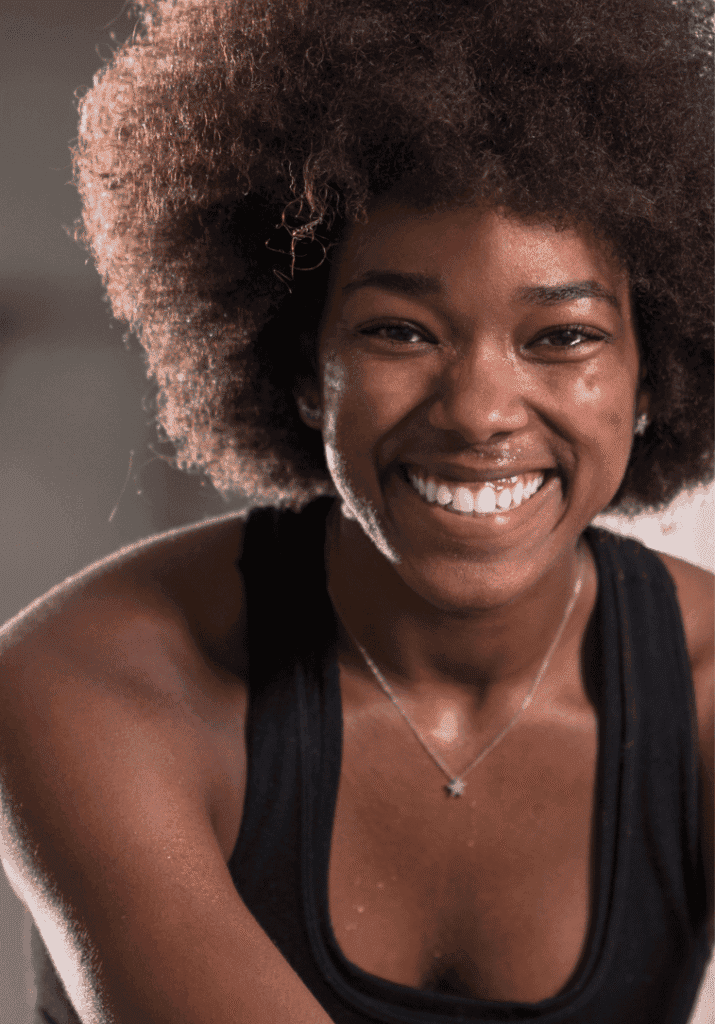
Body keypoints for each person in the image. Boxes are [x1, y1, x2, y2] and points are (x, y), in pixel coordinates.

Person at [0, 1, 712, 1022]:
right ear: (301, 368)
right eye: (399, 331)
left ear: (654, 377)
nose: (476, 413)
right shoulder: (87, 684)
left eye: (559, 336)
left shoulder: (701, 687)